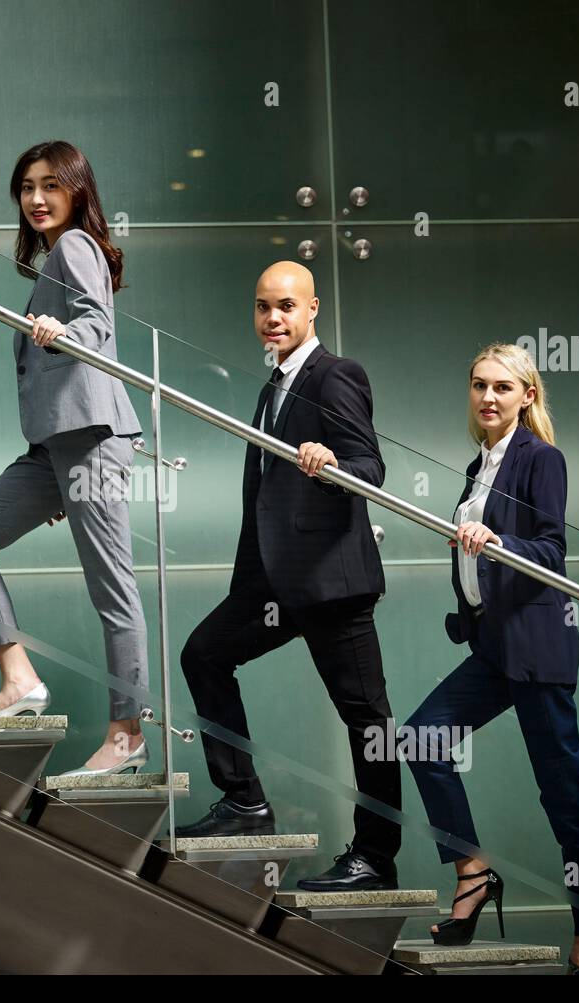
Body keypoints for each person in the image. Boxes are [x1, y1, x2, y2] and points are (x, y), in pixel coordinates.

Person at [175, 262, 402, 893]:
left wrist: (334, 460)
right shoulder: (272, 386)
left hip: (331, 584)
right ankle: (244, 801)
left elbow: (369, 464)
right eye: (261, 307)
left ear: (312, 311)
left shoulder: (336, 375)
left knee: (368, 722)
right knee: (204, 654)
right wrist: (244, 587)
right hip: (274, 583)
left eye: (284, 306)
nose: (272, 318)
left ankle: (375, 858)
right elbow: (261, 498)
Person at [404, 342, 579, 975]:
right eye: (479, 385)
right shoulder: (481, 465)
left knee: (564, 797)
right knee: (421, 739)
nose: (488, 397)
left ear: (527, 396)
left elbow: (553, 552)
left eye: (502, 386)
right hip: (494, 647)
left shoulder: (540, 458)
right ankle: (473, 873)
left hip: (536, 651)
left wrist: (498, 542)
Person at [0, 141, 149, 775]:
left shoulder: (76, 248)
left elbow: (97, 327)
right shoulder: (54, 260)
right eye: (26, 188)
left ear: (77, 192)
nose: (35, 199)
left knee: (112, 590)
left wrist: (63, 335)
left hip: (90, 442)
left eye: (49, 186)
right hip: (58, 450)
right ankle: (19, 677)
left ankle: (127, 735)